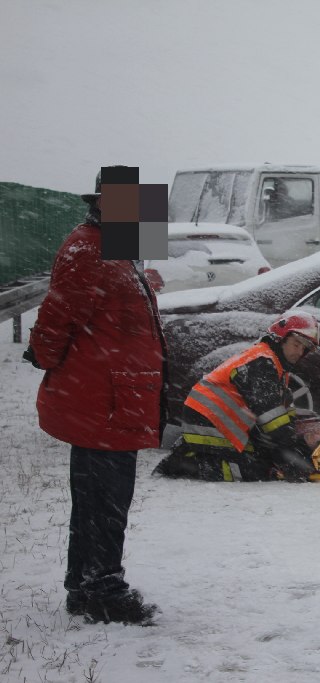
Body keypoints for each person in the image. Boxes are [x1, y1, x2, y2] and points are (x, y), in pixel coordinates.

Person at [24, 167, 165, 625]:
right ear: (104, 201)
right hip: (102, 398)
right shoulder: (88, 247)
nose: (141, 215)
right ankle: (103, 588)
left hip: (116, 394)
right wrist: (43, 356)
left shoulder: (118, 246)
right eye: (132, 204)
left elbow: (121, 308)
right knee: (104, 498)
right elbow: (59, 313)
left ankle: (85, 586)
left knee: (97, 497)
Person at [153, 311, 320, 482]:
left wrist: (298, 449)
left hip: (217, 423)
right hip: (210, 423)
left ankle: (191, 452)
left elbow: (277, 418)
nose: (300, 352)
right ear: (281, 338)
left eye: (304, 348)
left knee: (266, 460)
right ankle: (185, 464)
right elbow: (273, 421)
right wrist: (294, 456)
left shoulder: (272, 363)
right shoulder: (261, 363)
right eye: (296, 344)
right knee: (258, 470)